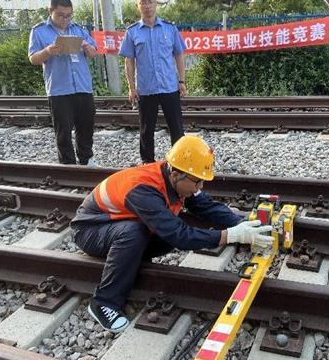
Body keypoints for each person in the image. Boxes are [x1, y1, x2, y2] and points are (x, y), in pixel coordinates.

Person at [70, 135, 274, 333]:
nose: (200, 188)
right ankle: (104, 302)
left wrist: (245, 225)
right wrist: (231, 235)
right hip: (89, 230)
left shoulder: (177, 176)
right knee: (137, 232)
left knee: (164, 233)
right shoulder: (143, 189)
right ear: (176, 175)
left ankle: (128, 259)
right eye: (197, 182)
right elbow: (180, 236)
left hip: (114, 225)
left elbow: (207, 206)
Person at [28, 0, 99, 166]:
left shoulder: (78, 29)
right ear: (50, 11)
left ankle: (86, 159)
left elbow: (94, 53)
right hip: (59, 89)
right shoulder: (39, 31)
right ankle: (68, 165)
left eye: (69, 15)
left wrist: (89, 49)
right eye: (60, 15)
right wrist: (48, 51)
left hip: (82, 86)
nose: (65, 19)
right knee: (63, 131)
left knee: (86, 126)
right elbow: (33, 58)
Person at [119, 0, 187, 164]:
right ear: (137, 6)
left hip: (169, 87)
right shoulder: (132, 32)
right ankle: (147, 164)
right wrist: (131, 88)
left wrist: (182, 81)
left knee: (177, 128)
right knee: (146, 130)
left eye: (150, 1)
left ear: (156, 3)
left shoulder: (169, 29)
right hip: (146, 89)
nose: (147, 6)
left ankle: (178, 163)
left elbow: (179, 54)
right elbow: (129, 61)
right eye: (143, 2)